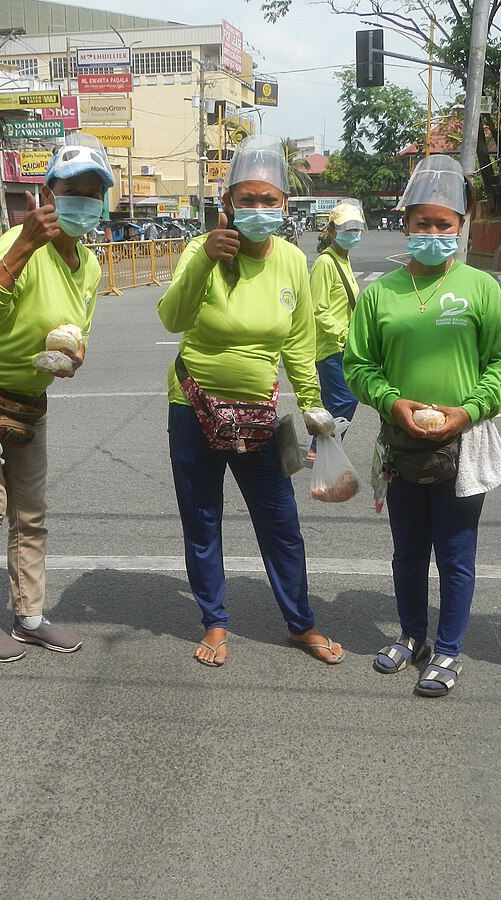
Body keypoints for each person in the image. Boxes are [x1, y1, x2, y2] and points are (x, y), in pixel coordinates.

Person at [157, 133, 343, 668]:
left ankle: (301, 623)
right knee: (202, 517)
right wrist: (203, 262)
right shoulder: (202, 250)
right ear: (227, 204)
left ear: (285, 206)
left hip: (258, 414)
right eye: (248, 200)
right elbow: (173, 318)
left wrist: (313, 408)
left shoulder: (291, 261)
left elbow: (300, 343)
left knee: (280, 520)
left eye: (270, 200)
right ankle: (215, 622)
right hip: (193, 407)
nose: (259, 210)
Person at [0, 134, 113, 662]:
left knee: (30, 511)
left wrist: (75, 358)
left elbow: (79, 332)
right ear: (46, 194)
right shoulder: (18, 243)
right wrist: (26, 245)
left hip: (26, 401)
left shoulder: (91, 264)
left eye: (92, 192)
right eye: (70, 189)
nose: (81, 200)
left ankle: (29, 615)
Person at [344, 155, 501, 697]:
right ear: (406, 225)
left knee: (456, 555)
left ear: (461, 227)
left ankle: (448, 650)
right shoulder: (381, 293)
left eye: (445, 224)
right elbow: (358, 365)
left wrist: (467, 412)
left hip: (464, 444)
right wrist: (393, 403)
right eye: (424, 223)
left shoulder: (480, 288)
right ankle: (411, 635)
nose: (434, 233)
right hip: (401, 443)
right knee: (407, 551)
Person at [307, 198, 366, 460]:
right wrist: (343, 335)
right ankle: (321, 445)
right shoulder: (325, 263)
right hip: (331, 346)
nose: (353, 234)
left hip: (345, 344)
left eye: (357, 229)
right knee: (345, 399)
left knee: (336, 401)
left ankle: (321, 446)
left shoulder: (344, 259)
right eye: (347, 229)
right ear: (332, 231)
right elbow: (318, 309)